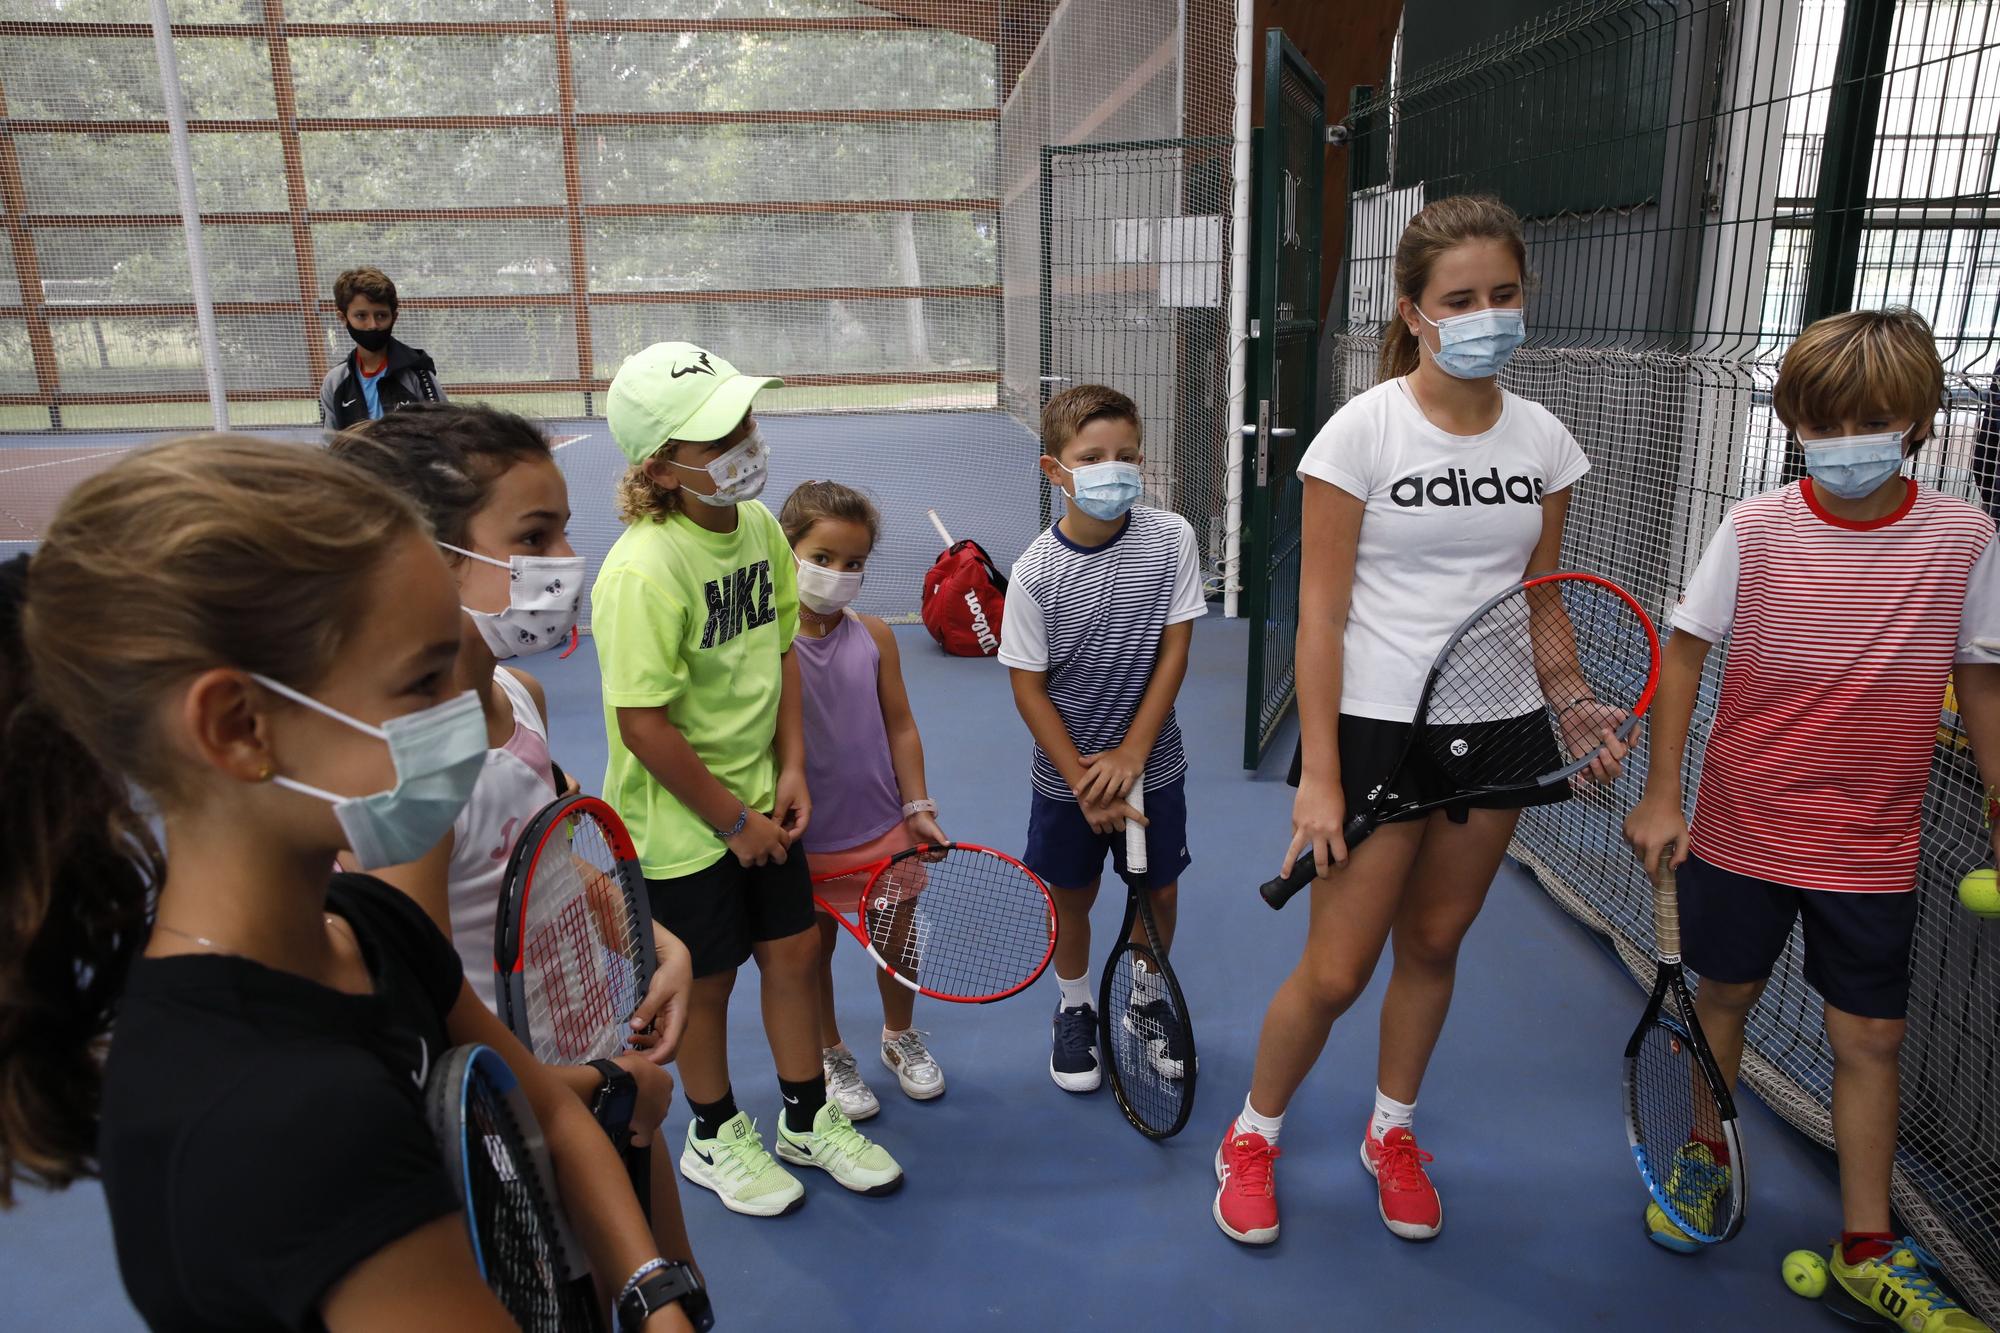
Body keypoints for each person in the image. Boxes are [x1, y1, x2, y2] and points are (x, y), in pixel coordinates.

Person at [0, 435, 703, 1331]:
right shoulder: (271, 1119)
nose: (459, 715)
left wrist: (651, 1288)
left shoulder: (371, 925)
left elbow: (554, 1116)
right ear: (239, 727)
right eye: (420, 683)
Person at [1214, 195, 1617, 1248]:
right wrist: (1317, 776)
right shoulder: (1363, 430)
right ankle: (1251, 1135)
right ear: (1413, 310)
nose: (1484, 313)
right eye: (1459, 299)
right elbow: (1318, 612)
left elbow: (1541, 596)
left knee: (1435, 941)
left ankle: (1390, 1130)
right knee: (1337, 968)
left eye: (1502, 294)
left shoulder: (1544, 442)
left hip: (1499, 724)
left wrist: (1569, 701)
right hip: (1376, 724)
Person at [1624, 308, 2000, 1331]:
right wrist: (1662, 794)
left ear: (1918, 422)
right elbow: (1686, 655)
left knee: (1869, 1035)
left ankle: (1867, 1245)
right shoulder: (1751, 527)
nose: (1846, 442)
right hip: (1743, 825)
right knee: (1722, 999)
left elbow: (1977, 680)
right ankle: (1701, 1158)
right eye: (1823, 422)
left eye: (1872, 419)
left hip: (1872, 843)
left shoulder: (1964, 537)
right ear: (1793, 420)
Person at [329, 402, 702, 1273]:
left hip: (595, 1075)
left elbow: (564, 861)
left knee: (666, 1288)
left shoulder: (517, 694)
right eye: (533, 538)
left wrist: (658, 943)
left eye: (565, 533)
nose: (564, 564)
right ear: (421, 554)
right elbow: (417, 1017)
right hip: (511, 1123)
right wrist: (601, 1090)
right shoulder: (414, 773)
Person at [596, 341, 903, 1217]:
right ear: (659, 467)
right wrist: (735, 822)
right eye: (713, 436)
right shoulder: (644, 571)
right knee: (709, 977)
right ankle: (714, 1130)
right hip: (683, 825)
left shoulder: (763, 528)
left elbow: (779, 659)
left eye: (742, 421)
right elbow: (643, 725)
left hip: (764, 802)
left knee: (795, 952)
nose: (742, 442)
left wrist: (793, 766)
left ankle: (804, 1117)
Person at [998, 383, 1206, 1097]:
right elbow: (1029, 689)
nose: (1112, 468)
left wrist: (1132, 755)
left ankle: (1145, 1000)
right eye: (1092, 457)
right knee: (1073, 894)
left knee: (1161, 894)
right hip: (1068, 774)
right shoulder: (1033, 574)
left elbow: (1175, 651)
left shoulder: (1172, 536)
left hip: (1154, 764)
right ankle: (1076, 1001)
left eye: (1125, 455)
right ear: (1055, 470)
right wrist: (1086, 780)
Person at [778, 480, 950, 1120]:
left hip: (883, 828)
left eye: (853, 564)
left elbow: (901, 727)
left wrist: (917, 807)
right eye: (821, 558)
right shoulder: (766, 646)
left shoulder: (875, 636)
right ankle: (829, 1050)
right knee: (812, 950)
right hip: (807, 839)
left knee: (897, 939)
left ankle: (899, 1036)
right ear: (786, 551)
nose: (837, 574)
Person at [320, 266, 446, 430]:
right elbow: (330, 445)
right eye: (361, 316)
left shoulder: (418, 374)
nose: (372, 325)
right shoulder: (335, 382)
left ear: (394, 317)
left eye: (381, 316)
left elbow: (445, 433)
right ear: (343, 318)